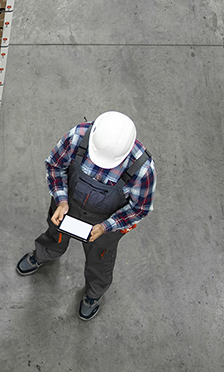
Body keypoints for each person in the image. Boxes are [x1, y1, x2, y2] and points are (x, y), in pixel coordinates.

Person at [16, 111, 156, 321]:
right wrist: (61, 200)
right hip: (67, 205)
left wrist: (107, 226)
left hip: (105, 223)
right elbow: (55, 166)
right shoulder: (78, 136)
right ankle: (44, 253)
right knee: (55, 234)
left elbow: (139, 209)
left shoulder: (143, 169)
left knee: (100, 258)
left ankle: (93, 293)